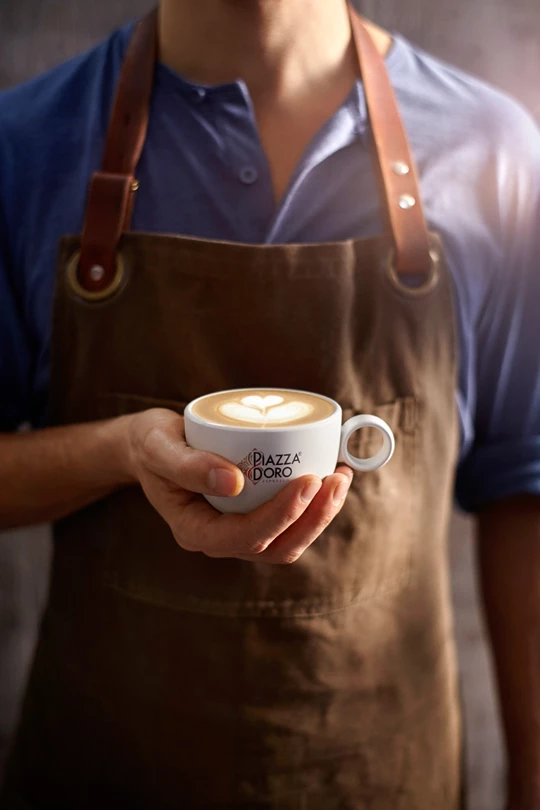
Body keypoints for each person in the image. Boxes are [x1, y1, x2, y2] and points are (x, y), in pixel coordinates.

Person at [0, 0, 539, 807]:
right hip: (102, 767)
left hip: (388, 776)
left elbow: (524, 489)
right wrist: (119, 450)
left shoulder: (491, 150)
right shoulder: (26, 144)